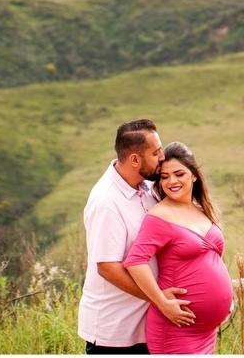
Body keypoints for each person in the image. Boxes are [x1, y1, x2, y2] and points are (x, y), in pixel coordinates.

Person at [78, 120, 195, 355]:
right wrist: (160, 299)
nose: (162, 157)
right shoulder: (107, 202)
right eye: (155, 152)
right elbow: (108, 268)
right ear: (134, 159)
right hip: (115, 333)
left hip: (148, 327)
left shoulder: (146, 188)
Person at [123, 141, 233, 355]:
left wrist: (225, 300)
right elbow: (135, 262)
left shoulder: (203, 210)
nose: (171, 181)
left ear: (194, 175)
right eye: (164, 177)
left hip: (205, 332)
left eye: (179, 174)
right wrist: (162, 302)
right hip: (176, 328)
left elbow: (213, 259)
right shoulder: (160, 216)